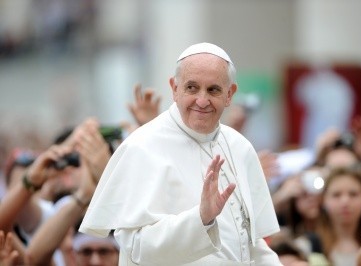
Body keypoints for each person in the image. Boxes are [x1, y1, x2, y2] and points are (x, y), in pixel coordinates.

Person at [79, 42, 281, 265]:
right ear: (174, 88)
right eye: (192, 88)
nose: (202, 100)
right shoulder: (142, 147)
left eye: (213, 89)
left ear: (230, 94)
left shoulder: (240, 147)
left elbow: (250, 244)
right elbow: (137, 247)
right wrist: (200, 219)